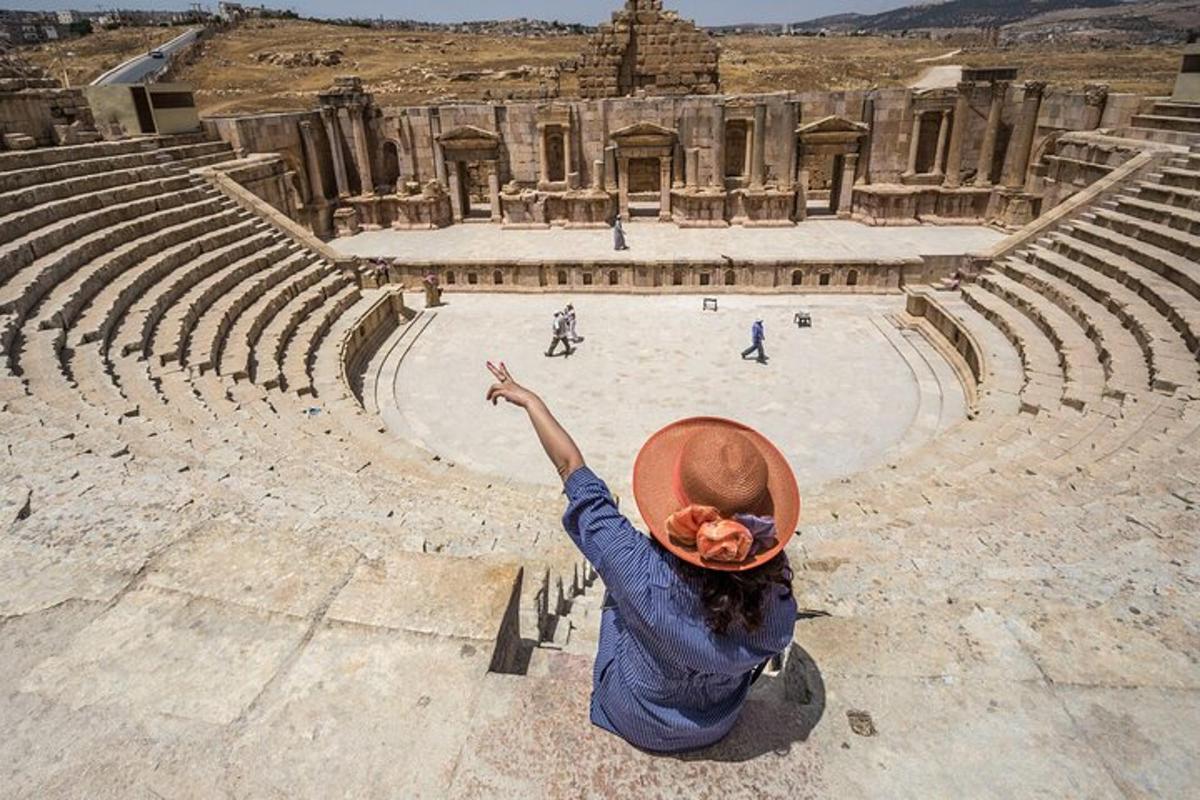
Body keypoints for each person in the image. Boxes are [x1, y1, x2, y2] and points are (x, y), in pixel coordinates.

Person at [485, 361, 799, 753]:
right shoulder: (779, 604)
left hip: (631, 712)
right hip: (716, 722)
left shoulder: (635, 567)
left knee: (618, 587)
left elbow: (572, 470)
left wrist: (532, 402)